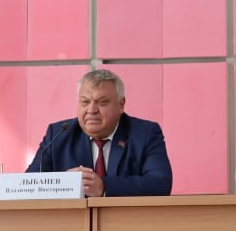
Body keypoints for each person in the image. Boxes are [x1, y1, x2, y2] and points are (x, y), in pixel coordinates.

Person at [26, 68, 172, 197]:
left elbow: (160, 183)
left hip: (126, 219)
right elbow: (28, 186)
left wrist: (104, 186)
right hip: (71, 219)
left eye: (102, 102)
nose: (91, 110)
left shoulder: (145, 134)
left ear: (121, 105)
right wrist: (65, 183)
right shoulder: (58, 134)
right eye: (85, 102)